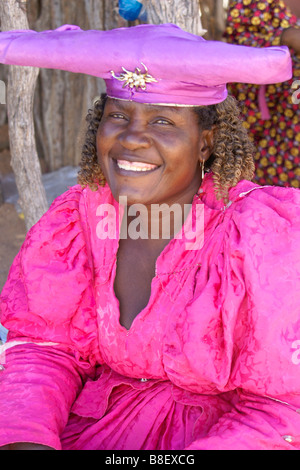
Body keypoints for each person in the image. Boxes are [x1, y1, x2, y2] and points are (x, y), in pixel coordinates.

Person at [0, 23, 300, 451]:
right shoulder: (81, 218)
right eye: (118, 116)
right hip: (95, 428)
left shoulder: (260, 236)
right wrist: (27, 440)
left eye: (163, 122)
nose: (132, 138)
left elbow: (282, 408)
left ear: (206, 143)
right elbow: (46, 347)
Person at [224, 0, 300, 188]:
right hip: (271, 119)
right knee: (277, 197)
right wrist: (286, 37)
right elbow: (237, 47)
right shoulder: (255, 3)